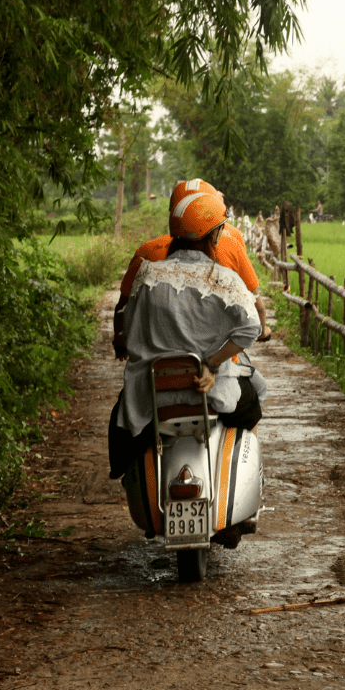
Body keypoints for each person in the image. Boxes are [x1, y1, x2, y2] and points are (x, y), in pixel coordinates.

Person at [107, 192, 266, 479]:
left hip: (152, 396)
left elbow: (130, 329)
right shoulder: (224, 280)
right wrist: (213, 364)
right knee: (252, 402)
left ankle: (124, 472)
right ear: (214, 236)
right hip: (210, 394)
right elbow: (251, 328)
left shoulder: (147, 275)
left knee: (119, 417)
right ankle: (245, 474)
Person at [112, 179, 270, 360]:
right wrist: (211, 365)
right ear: (214, 232)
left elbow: (126, 314)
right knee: (258, 387)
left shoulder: (146, 267)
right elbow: (254, 321)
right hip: (214, 371)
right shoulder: (227, 274)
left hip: (153, 373)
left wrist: (121, 342)